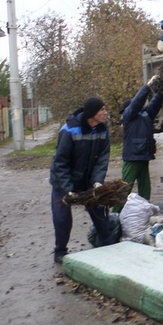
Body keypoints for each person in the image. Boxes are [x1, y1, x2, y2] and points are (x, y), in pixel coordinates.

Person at [49, 96, 112, 264]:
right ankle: (60, 251)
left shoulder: (102, 129)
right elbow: (60, 163)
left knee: (100, 211)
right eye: (102, 110)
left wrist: (97, 181)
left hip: (87, 181)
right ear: (92, 113)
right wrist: (68, 189)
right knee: (62, 218)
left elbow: (102, 159)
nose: (105, 113)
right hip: (63, 182)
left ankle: (107, 245)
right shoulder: (69, 130)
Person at [112, 76, 163, 213]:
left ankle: (144, 212)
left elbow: (155, 103)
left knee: (145, 189)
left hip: (143, 156)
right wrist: (147, 86)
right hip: (132, 158)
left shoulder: (145, 115)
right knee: (124, 189)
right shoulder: (128, 116)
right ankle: (115, 215)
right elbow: (137, 102)